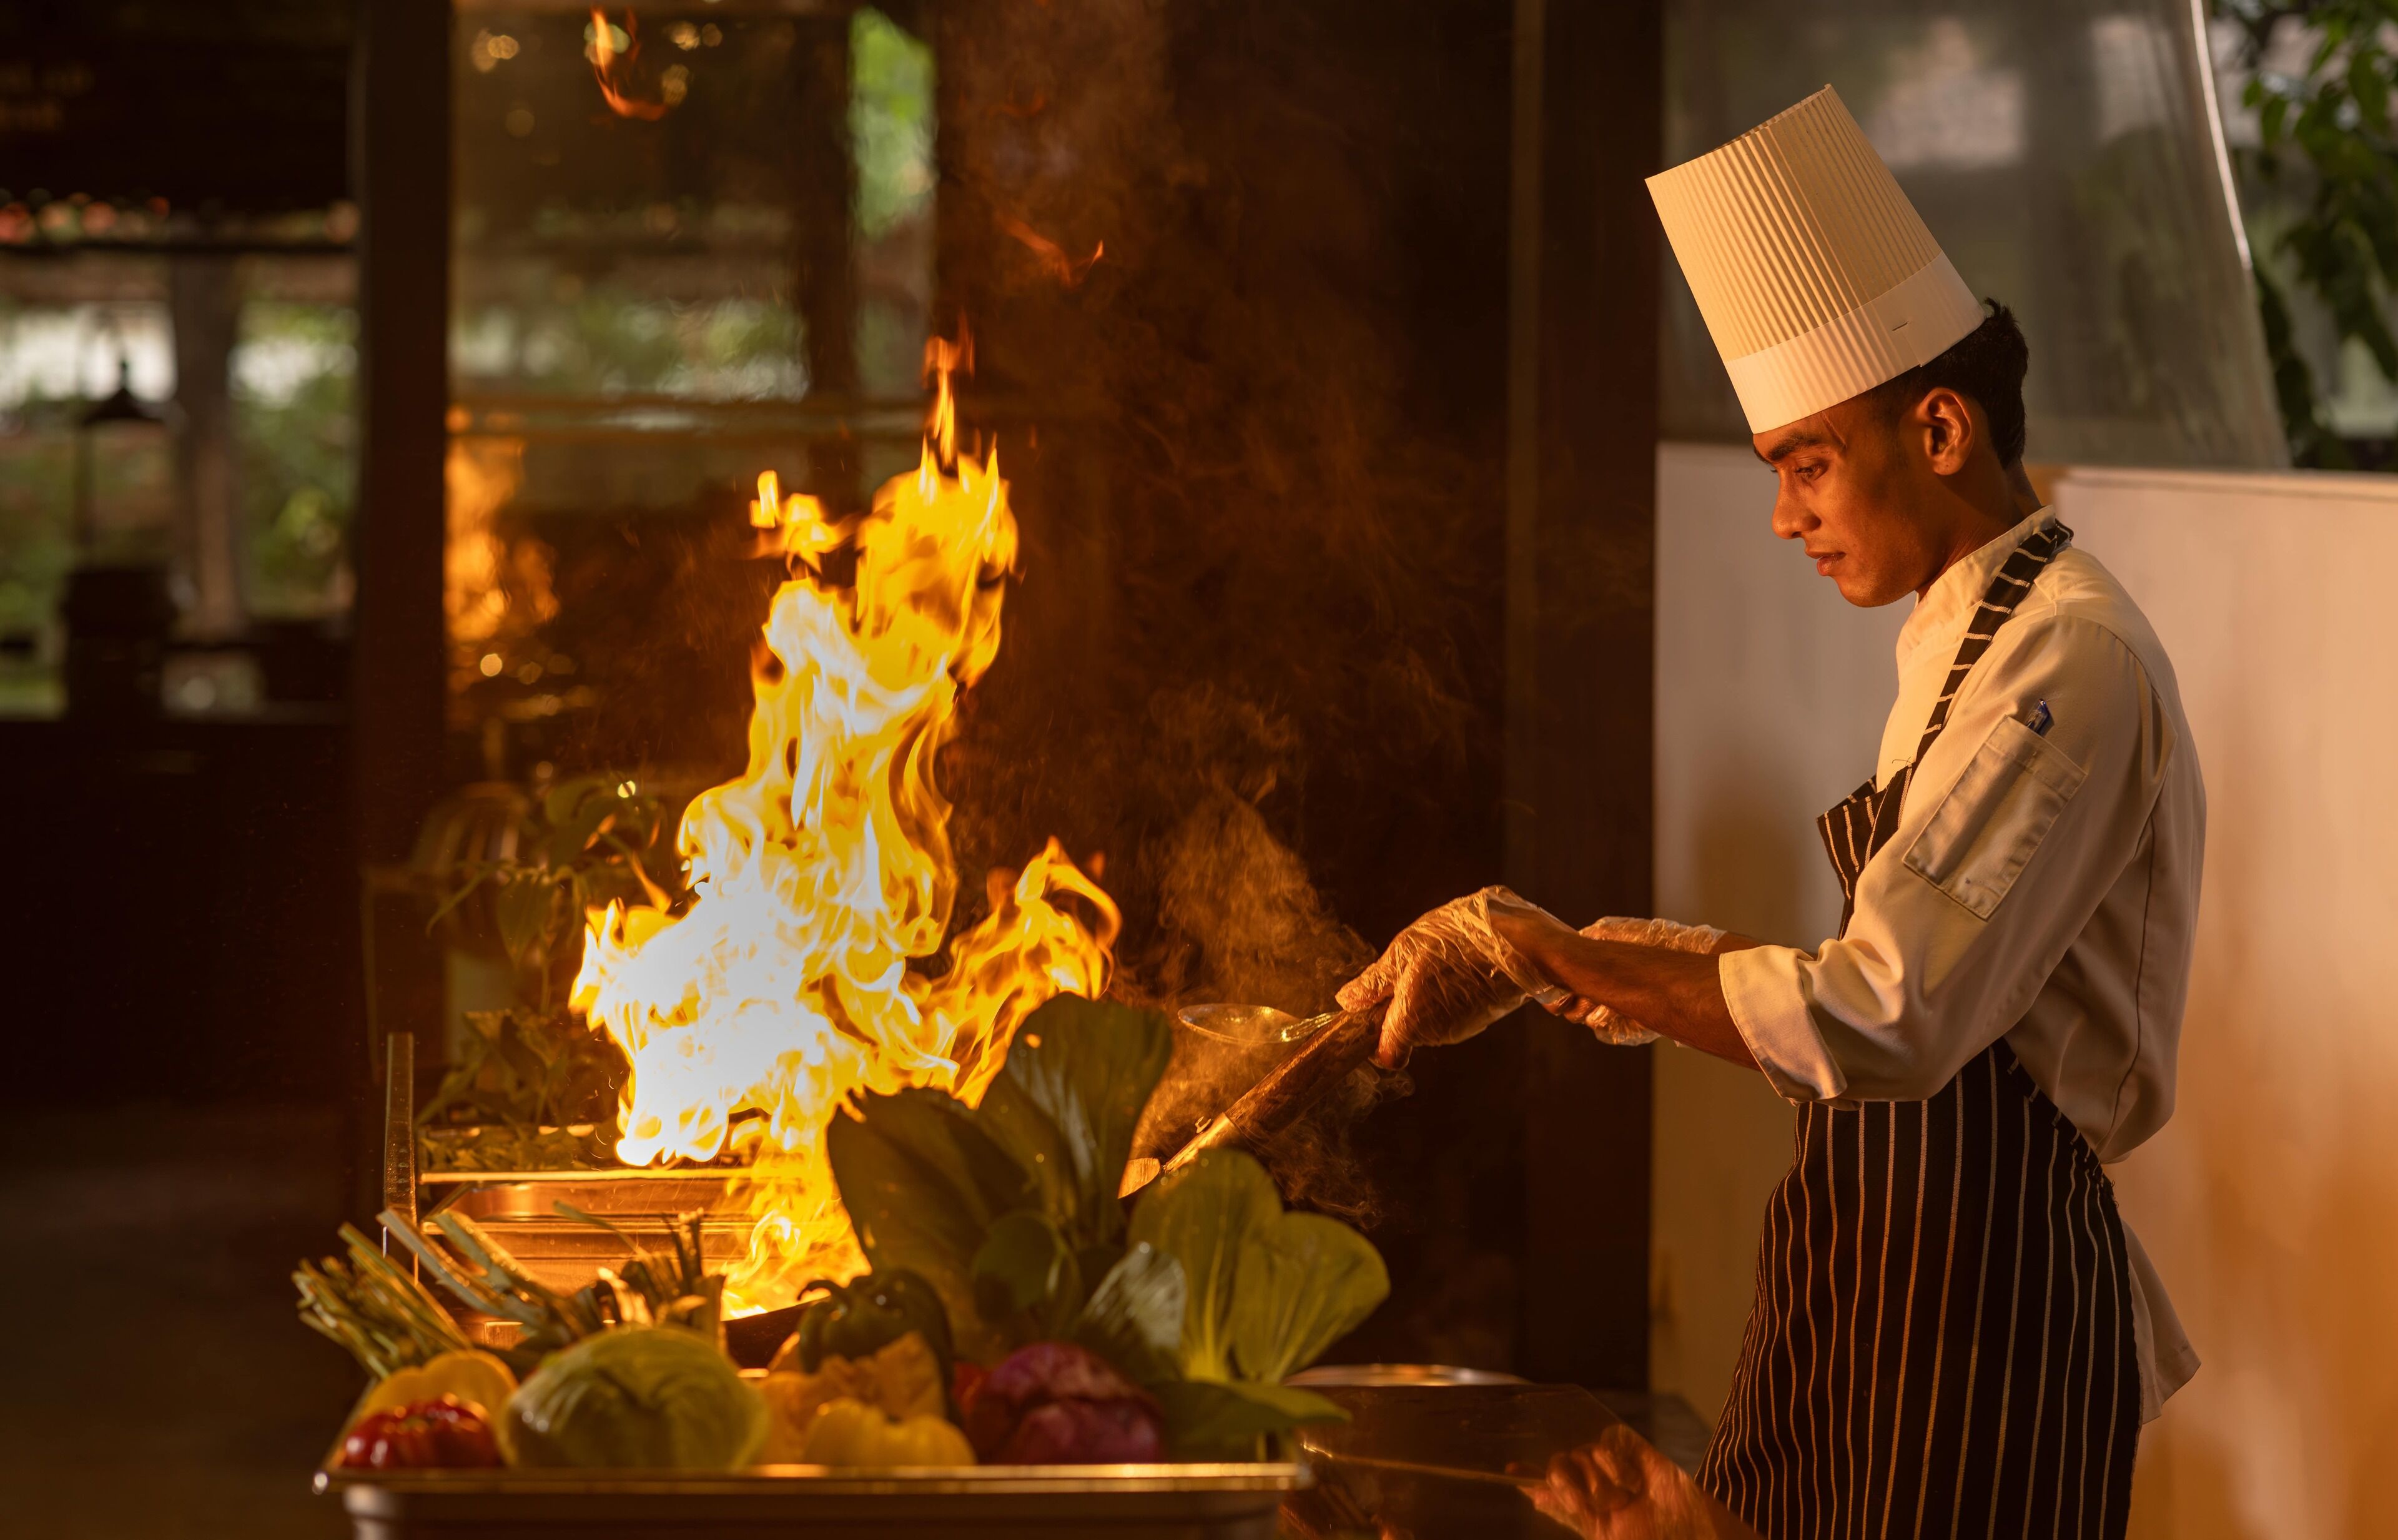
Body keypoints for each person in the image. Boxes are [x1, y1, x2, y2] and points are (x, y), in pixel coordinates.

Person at [1338, 88, 2203, 1539]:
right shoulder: (1963, 636)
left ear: (1939, 427)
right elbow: (1881, 991)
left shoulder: (2074, 658)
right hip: (1880, 1273)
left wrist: (1547, 952)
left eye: (1807, 464)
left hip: (1989, 1308)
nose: (1787, 517)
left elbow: (1883, 1017)